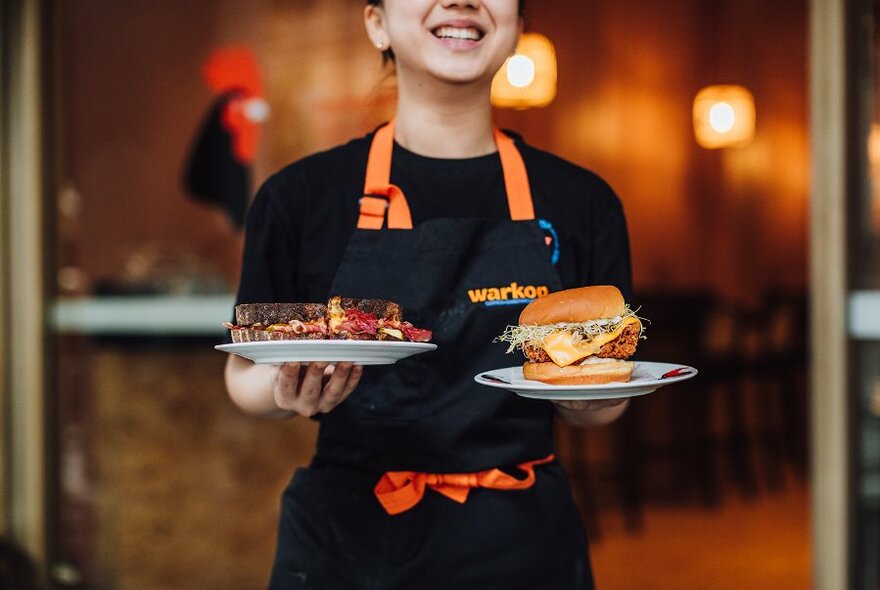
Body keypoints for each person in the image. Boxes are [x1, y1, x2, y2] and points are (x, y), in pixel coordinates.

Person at [224, 0, 633, 587]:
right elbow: (243, 377)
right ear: (376, 22)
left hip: (519, 542)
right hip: (347, 545)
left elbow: (607, 394)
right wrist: (290, 386)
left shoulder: (583, 203)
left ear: (519, 24)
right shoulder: (298, 198)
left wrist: (588, 398)